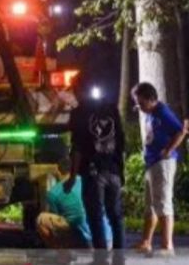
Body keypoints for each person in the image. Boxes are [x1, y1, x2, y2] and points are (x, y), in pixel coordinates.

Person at [65, 75, 125, 250]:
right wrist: (121, 170)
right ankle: (118, 257)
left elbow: (77, 148)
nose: (74, 93)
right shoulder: (112, 109)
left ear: (80, 89)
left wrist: (72, 177)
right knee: (116, 216)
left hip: (93, 173)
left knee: (95, 215)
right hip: (114, 169)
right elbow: (121, 141)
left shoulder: (78, 113)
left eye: (75, 89)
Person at [131, 82, 187, 253]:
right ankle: (146, 241)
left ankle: (167, 244)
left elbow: (180, 131)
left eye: (141, 103)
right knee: (151, 205)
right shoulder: (151, 113)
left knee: (163, 203)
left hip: (163, 163)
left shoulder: (163, 111)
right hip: (152, 163)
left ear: (150, 99)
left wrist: (168, 150)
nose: (139, 106)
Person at [37, 158, 112, 248]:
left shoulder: (54, 192)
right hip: (107, 240)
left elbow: (57, 221)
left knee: (41, 219)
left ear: (58, 171)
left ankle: (62, 254)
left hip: (84, 242)